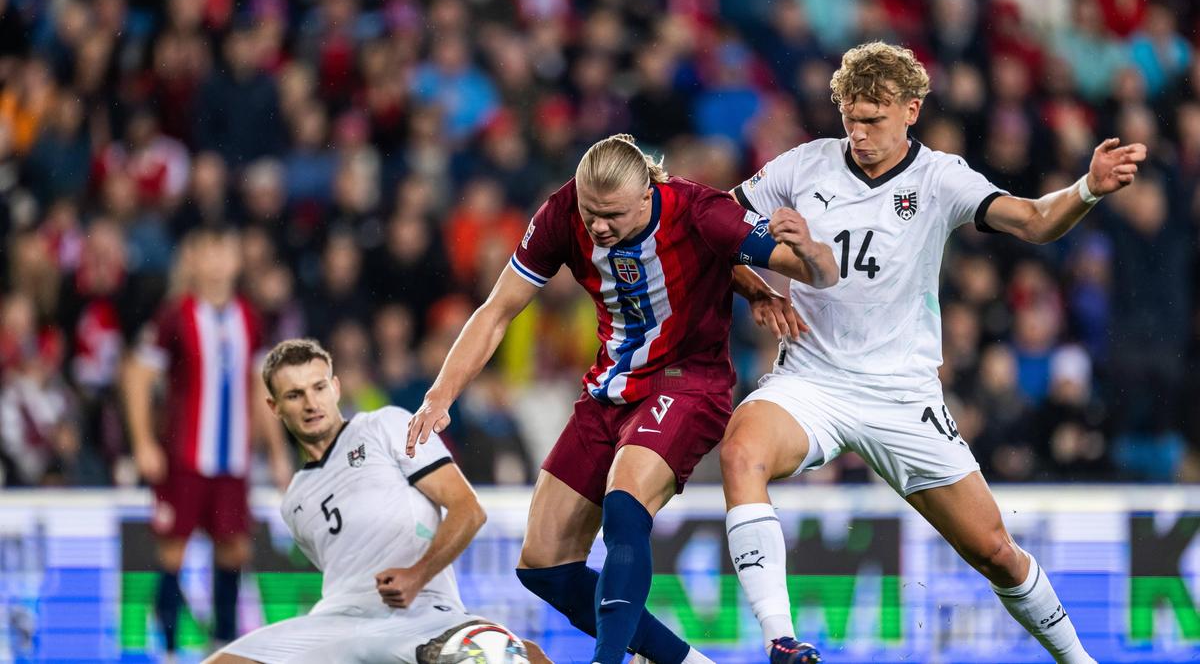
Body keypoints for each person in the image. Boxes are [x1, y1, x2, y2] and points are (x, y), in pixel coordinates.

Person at [721, 41, 1145, 664]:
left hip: (902, 396)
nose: (860, 135)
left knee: (996, 551)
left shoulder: (939, 178)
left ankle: (1079, 661)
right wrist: (754, 287)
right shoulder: (801, 166)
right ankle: (781, 642)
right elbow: (711, 230)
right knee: (739, 451)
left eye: (874, 121)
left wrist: (1087, 188)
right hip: (812, 382)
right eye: (850, 119)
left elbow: (1030, 220)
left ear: (912, 110)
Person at [407, 133, 839, 664]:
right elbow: (497, 311)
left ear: (647, 195)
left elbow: (812, 272)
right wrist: (440, 395)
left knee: (625, 500)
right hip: (609, 389)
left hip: (689, 383)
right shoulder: (562, 213)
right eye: (592, 214)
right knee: (544, 566)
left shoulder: (703, 211)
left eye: (612, 215)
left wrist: (811, 254)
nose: (599, 227)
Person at [207, 338, 552, 664]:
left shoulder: (386, 425)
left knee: (510, 654)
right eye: (295, 395)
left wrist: (417, 575)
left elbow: (469, 510)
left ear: (336, 388)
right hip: (337, 622)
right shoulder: (294, 501)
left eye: (319, 387)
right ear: (275, 406)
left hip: (422, 613)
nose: (311, 404)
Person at [122, 225, 292, 658]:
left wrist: (276, 452)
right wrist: (143, 442)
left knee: (233, 549)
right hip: (184, 457)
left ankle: (222, 647)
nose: (217, 262)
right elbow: (138, 376)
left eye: (224, 252)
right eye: (208, 253)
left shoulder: (250, 318)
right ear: (193, 261)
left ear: (237, 261)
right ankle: (171, 650)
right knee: (173, 551)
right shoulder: (174, 316)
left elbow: (261, 387)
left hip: (233, 458)